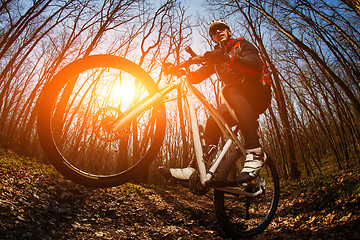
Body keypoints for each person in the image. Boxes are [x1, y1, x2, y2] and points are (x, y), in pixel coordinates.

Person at [160, 19, 271, 184]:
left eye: (221, 29)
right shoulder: (217, 57)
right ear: (212, 39)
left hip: (257, 93)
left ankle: (255, 151)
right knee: (214, 119)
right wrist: (179, 71)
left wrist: (228, 58)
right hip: (236, 100)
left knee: (228, 90)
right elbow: (198, 76)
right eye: (214, 32)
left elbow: (254, 66)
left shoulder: (242, 45)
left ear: (229, 32)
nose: (218, 32)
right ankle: (197, 167)